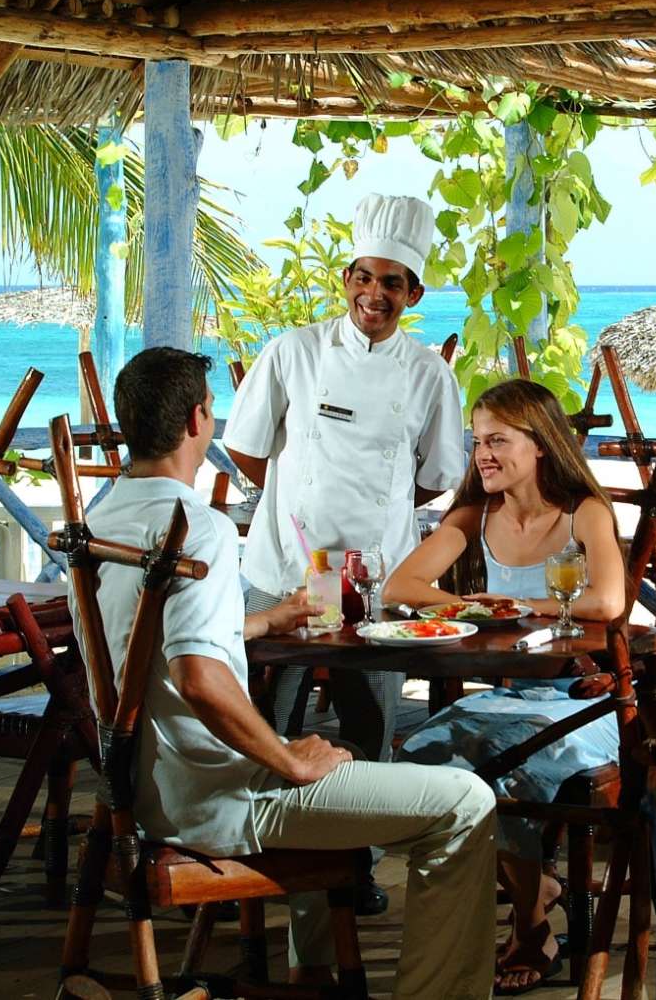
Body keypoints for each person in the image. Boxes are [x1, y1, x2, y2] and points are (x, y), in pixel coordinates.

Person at [74, 345, 496, 998]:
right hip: (219, 798)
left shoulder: (102, 519)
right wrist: (286, 761)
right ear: (198, 419)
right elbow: (197, 678)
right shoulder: (199, 528)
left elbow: (141, 641)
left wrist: (258, 624)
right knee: (467, 800)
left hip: (137, 790)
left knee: (343, 750)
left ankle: (312, 969)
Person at [383, 379, 626, 995]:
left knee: (499, 762)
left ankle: (529, 923)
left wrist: (516, 605)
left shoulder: (583, 512)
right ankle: (534, 888)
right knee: (417, 756)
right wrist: (471, 607)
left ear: (540, 444)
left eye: (497, 440)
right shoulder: (474, 516)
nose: (482, 454)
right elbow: (400, 589)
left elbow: (608, 599)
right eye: (477, 441)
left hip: (585, 702)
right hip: (509, 698)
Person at [225, 192, 465, 766]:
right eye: (364, 277)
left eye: (392, 282)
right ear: (346, 279)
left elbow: (437, 474)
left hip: (378, 573)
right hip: (287, 562)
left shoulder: (430, 374)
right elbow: (245, 446)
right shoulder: (293, 352)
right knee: (263, 722)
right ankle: (263, 841)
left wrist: (385, 520)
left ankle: (364, 840)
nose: (374, 294)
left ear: (414, 294)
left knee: (371, 724)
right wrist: (291, 497)